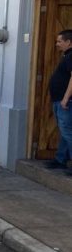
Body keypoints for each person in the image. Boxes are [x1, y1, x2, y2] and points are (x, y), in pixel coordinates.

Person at [45, 29, 72, 174]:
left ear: (69, 42)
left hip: (66, 102)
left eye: (59, 41)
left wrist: (66, 98)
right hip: (59, 100)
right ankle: (61, 159)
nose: (57, 44)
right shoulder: (66, 56)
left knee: (68, 132)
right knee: (64, 131)